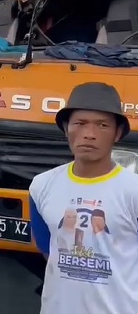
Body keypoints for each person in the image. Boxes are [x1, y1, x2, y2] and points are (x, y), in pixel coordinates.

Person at [29, 82, 138, 314]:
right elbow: (46, 246)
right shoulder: (42, 186)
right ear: (66, 128)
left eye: (102, 125)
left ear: (118, 133)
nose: (89, 134)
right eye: (79, 124)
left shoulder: (132, 191)